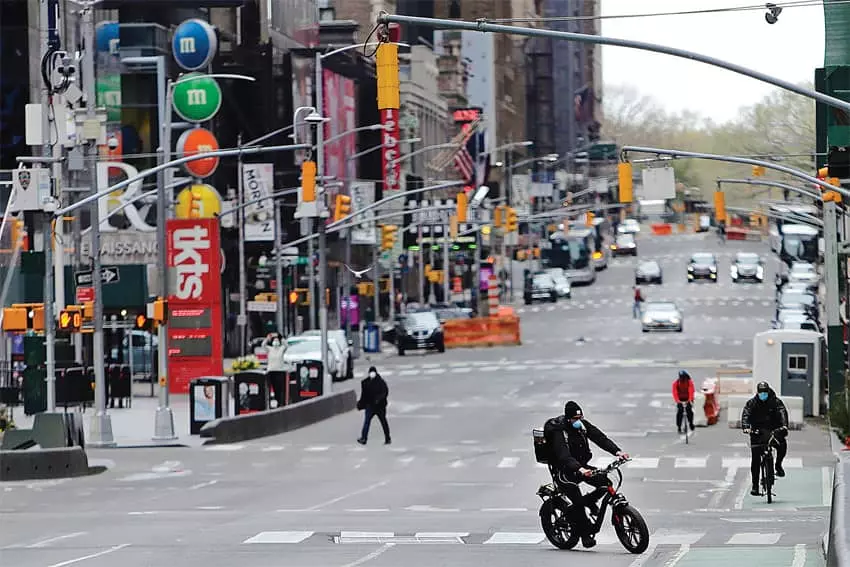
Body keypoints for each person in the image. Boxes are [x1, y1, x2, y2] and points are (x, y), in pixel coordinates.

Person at [544, 401, 630, 549]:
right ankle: (585, 535)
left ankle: (589, 502)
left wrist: (617, 452)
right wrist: (580, 469)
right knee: (577, 502)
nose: (579, 421)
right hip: (564, 471)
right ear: (568, 418)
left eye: (580, 417)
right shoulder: (560, 431)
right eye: (575, 419)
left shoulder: (582, 426)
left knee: (605, 483)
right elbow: (563, 455)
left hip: (581, 467)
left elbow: (600, 438)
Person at [742, 381, 789, 496]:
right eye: (760, 392)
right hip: (757, 432)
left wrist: (784, 426)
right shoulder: (752, 403)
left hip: (773, 430)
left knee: (782, 444)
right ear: (757, 393)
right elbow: (746, 415)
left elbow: (782, 412)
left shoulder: (776, 402)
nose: (763, 395)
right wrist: (746, 427)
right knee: (755, 459)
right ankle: (755, 486)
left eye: (764, 392)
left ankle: (778, 465)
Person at [357, 366, 391, 445]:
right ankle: (363, 438)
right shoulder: (365, 383)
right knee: (367, 422)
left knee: (383, 422)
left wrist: (379, 399)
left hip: (380, 406)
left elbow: (385, 392)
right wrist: (360, 404)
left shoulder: (381, 382)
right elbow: (364, 396)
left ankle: (388, 438)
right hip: (370, 406)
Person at [262, 332, 288, 407]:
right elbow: (263, 345)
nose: (276, 342)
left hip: (280, 371)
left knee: (279, 388)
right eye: (274, 340)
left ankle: (280, 402)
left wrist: (280, 337)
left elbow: (286, 345)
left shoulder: (281, 349)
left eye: (277, 341)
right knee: (271, 387)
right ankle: (270, 403)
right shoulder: (269, 349)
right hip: (271, 371)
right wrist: (268, 338)